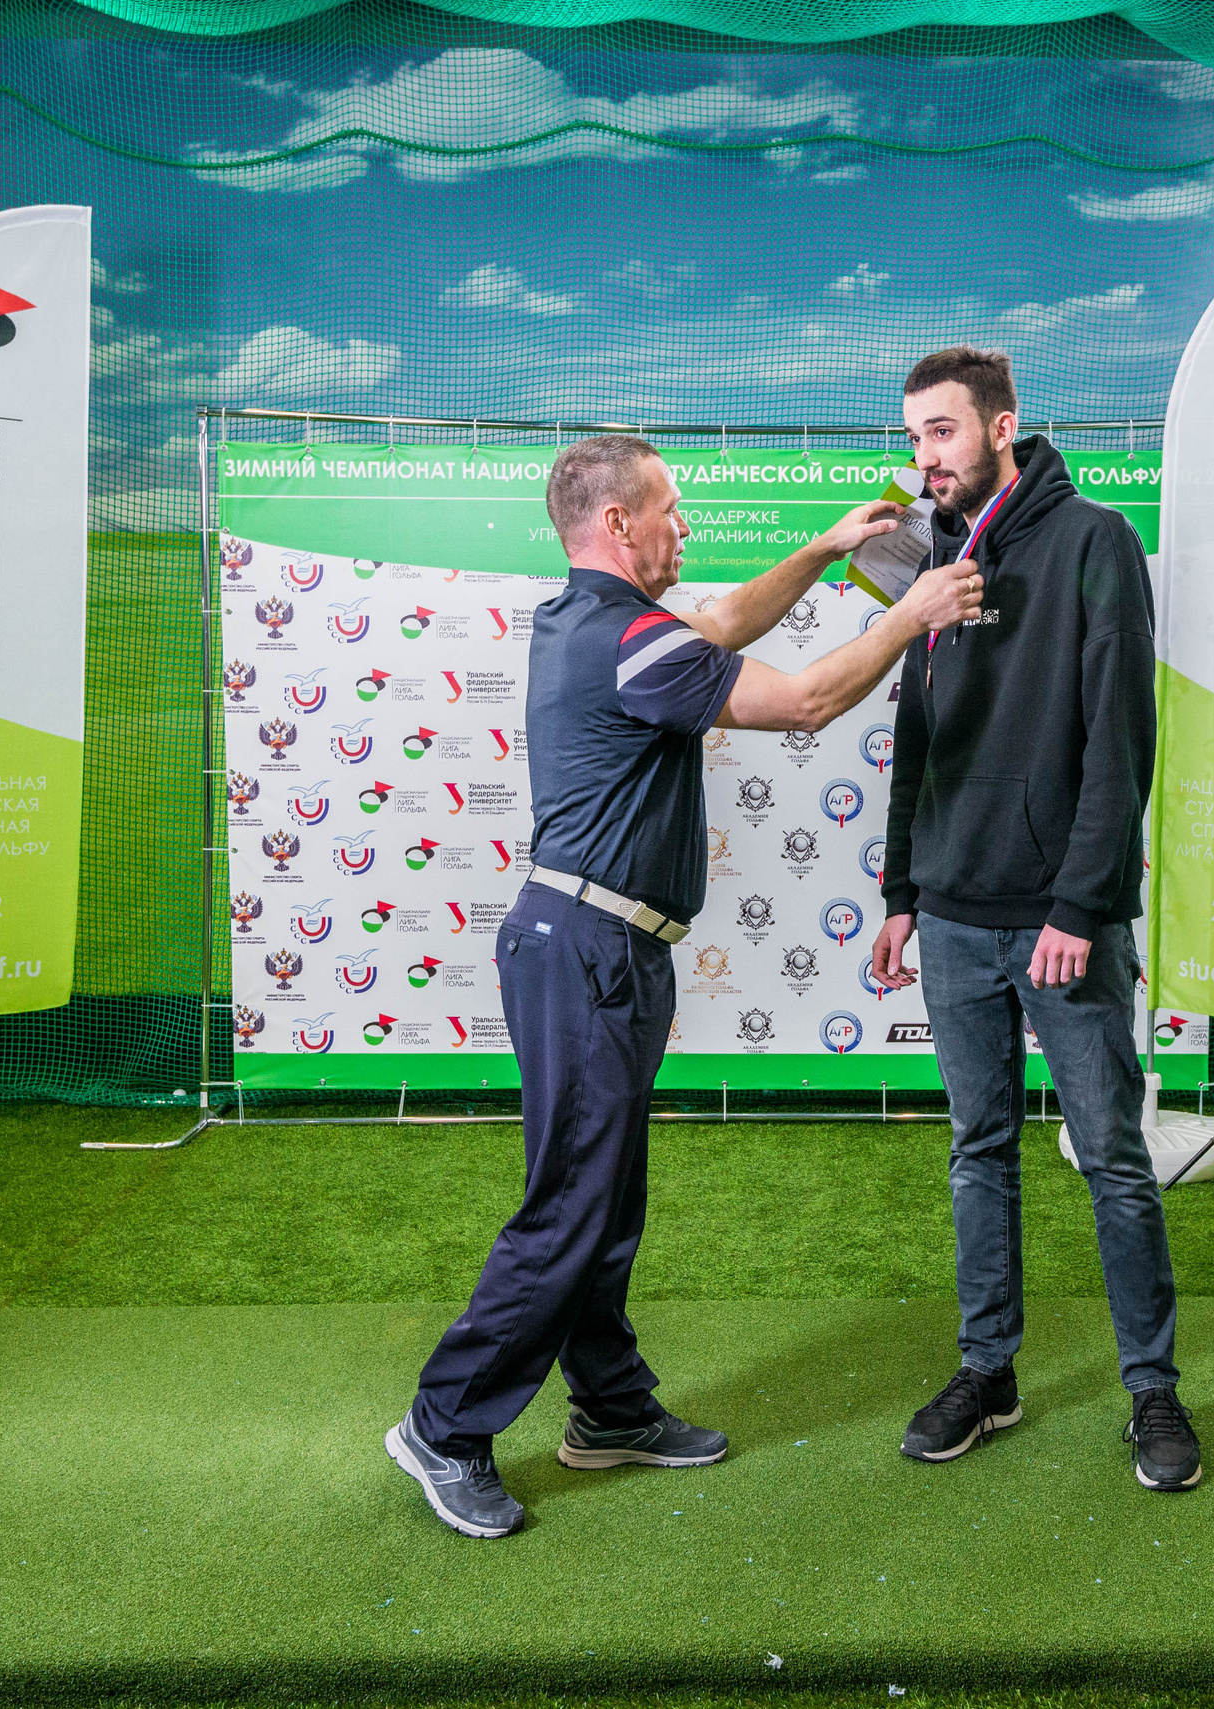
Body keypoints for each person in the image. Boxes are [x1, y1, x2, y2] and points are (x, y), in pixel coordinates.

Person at [388, 434, 981, 1539]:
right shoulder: (622, 642)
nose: (684, 526)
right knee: (570, 1200)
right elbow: (802, 700)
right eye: (670, 508)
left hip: (606, 949)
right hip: (584, 949)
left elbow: (720, 627)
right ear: (618, 524)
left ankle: (609, 1410)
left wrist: (823, 549)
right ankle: (444, 1424)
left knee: (602, 1197)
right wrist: (912, 612)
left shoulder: (603, 625)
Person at [868, 347, 1197, 1492]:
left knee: (1111, 1157)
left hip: (1065, 922)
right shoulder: (928, 557)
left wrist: (1081, 901)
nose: (925, 457)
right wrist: (901, 889)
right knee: (978, 1150)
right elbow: (917, 731)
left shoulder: (1094, 541)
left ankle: (1151, 1388)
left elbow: (1120, 738)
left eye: (943, 433)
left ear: (1002, 426)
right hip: (952, 919)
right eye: (912, 438)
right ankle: (987, 1371)